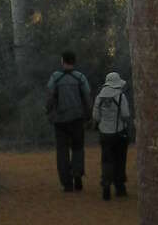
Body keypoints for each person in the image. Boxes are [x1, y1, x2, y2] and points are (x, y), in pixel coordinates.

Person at [45, 49, 92, 191]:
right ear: (74, 61)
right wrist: (88, 115)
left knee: (62, 152)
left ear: (62, 61)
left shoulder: (55, 77)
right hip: (77, 119)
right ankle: (77, 175)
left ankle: (67, 183)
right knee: (78, 149)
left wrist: (48, 112)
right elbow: (87, 97)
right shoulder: (80, 78)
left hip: (60, 121)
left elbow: (49, 97)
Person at [92, 70, 133, 200]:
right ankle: (120, 187)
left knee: (106, 160)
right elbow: (126, 115)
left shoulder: (99, 97)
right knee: (120, 160)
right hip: (119, 132)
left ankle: (106, 184)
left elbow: (95, 117)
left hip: (104, 134)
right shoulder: (121, 96)